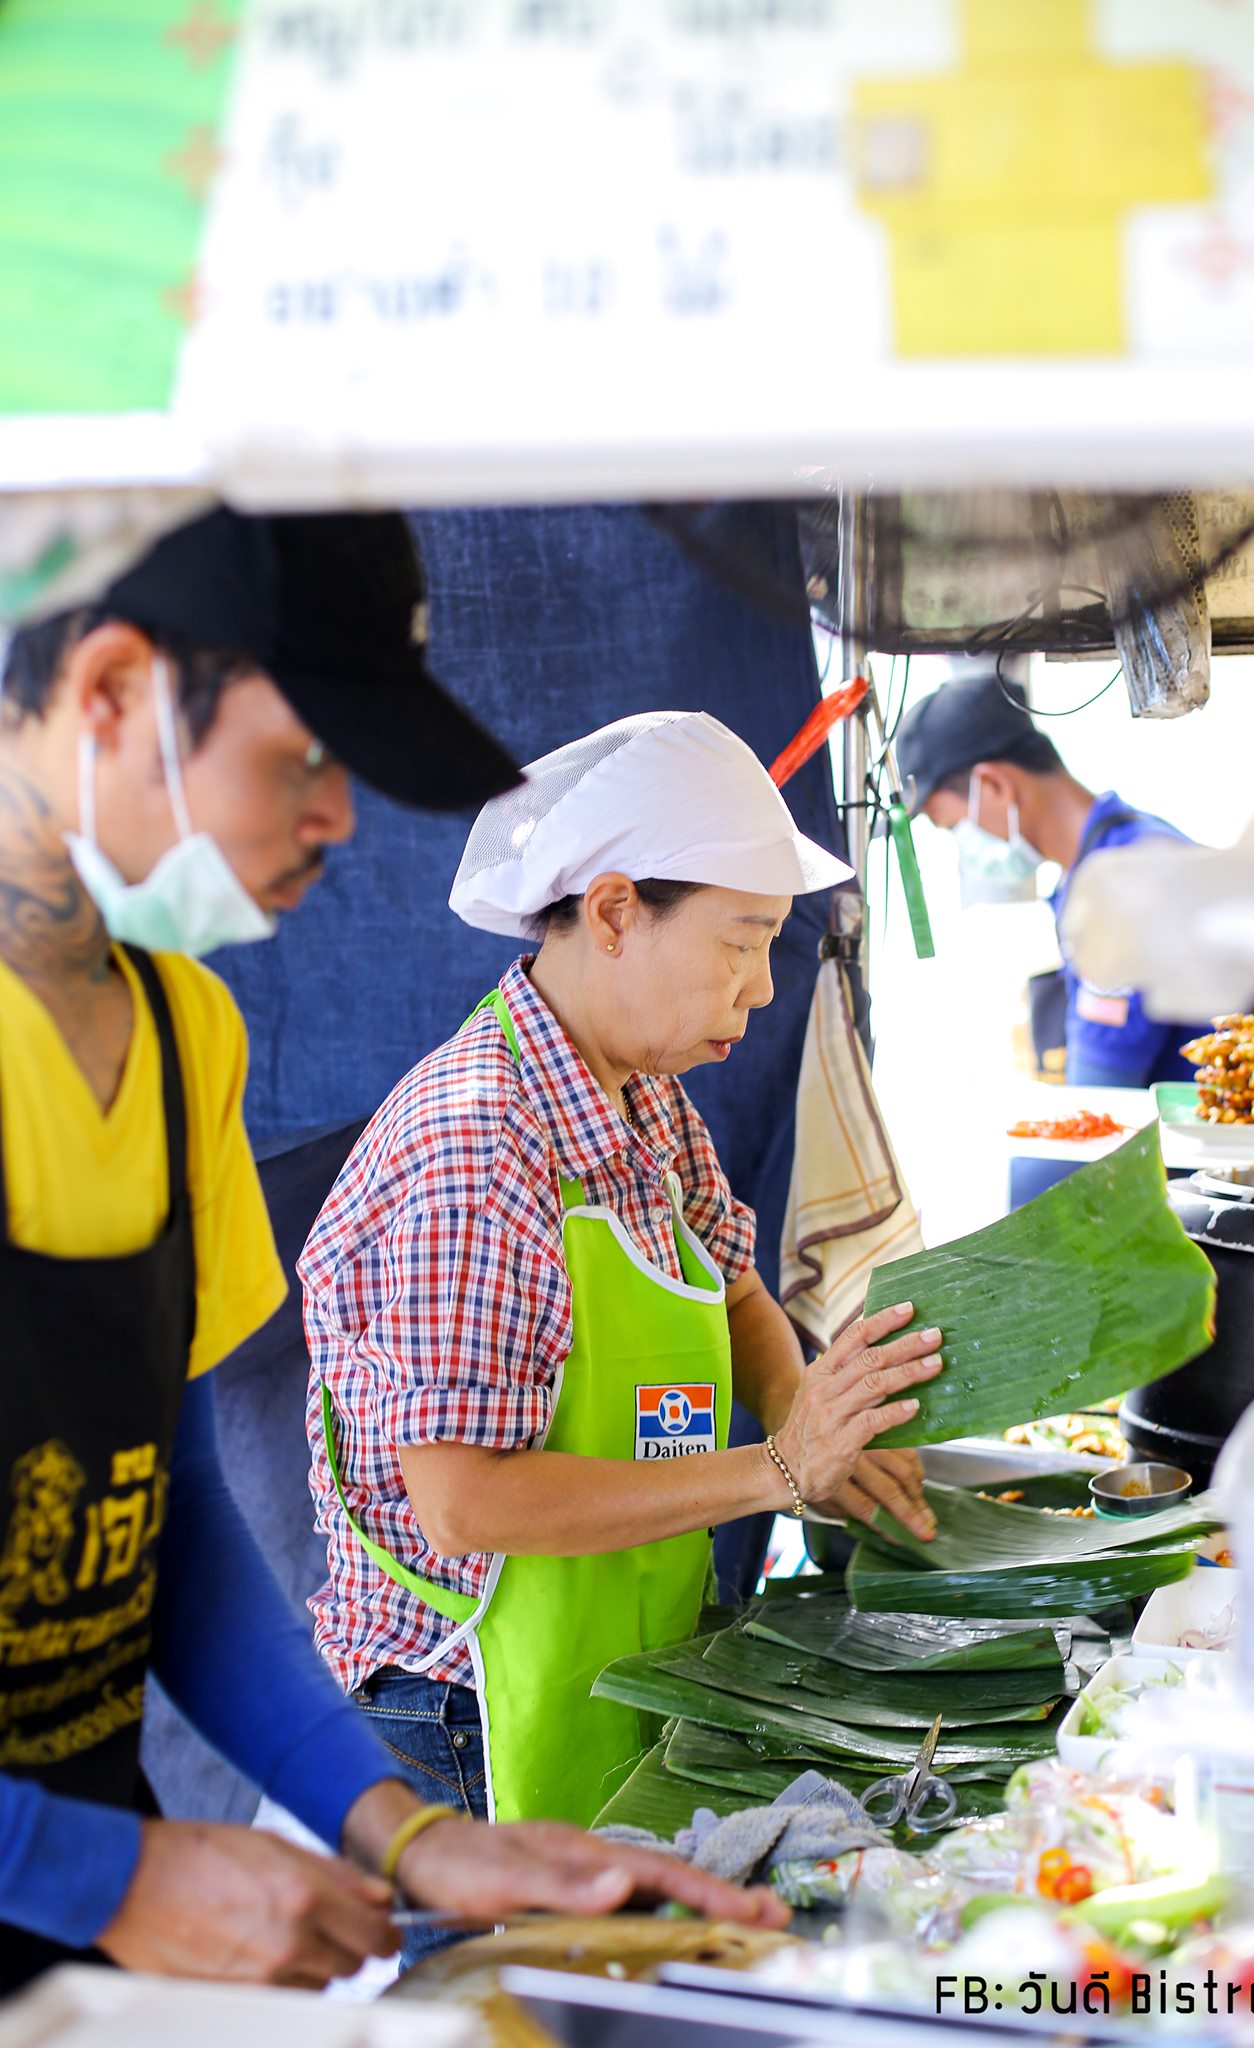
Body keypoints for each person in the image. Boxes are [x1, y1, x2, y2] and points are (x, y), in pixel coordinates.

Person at [0, 512, 782, 1993]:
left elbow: (169, 1529)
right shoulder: (470, 1134)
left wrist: (406, 1831)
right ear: (108, 692)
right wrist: (104, 1872)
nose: (340, 819)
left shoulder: (179, 1044)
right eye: (304, 759)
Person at [303, 710, 945, 1958]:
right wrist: (772, 1471)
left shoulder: (642, 1096)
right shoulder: (479, 1146)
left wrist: (822, 1423)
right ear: (612, 912)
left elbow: (739, 1287)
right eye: (742, 944)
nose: (763, 987)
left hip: (618, 1648)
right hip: (461, 1714)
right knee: (508, 2015)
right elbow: (467, 1503)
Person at [897, 672, 1214, 1088]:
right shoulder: (1126, 849)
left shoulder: (1117, 886)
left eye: (954, 827)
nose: (964, 849)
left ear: (993, 786)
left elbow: (1097, 1109)